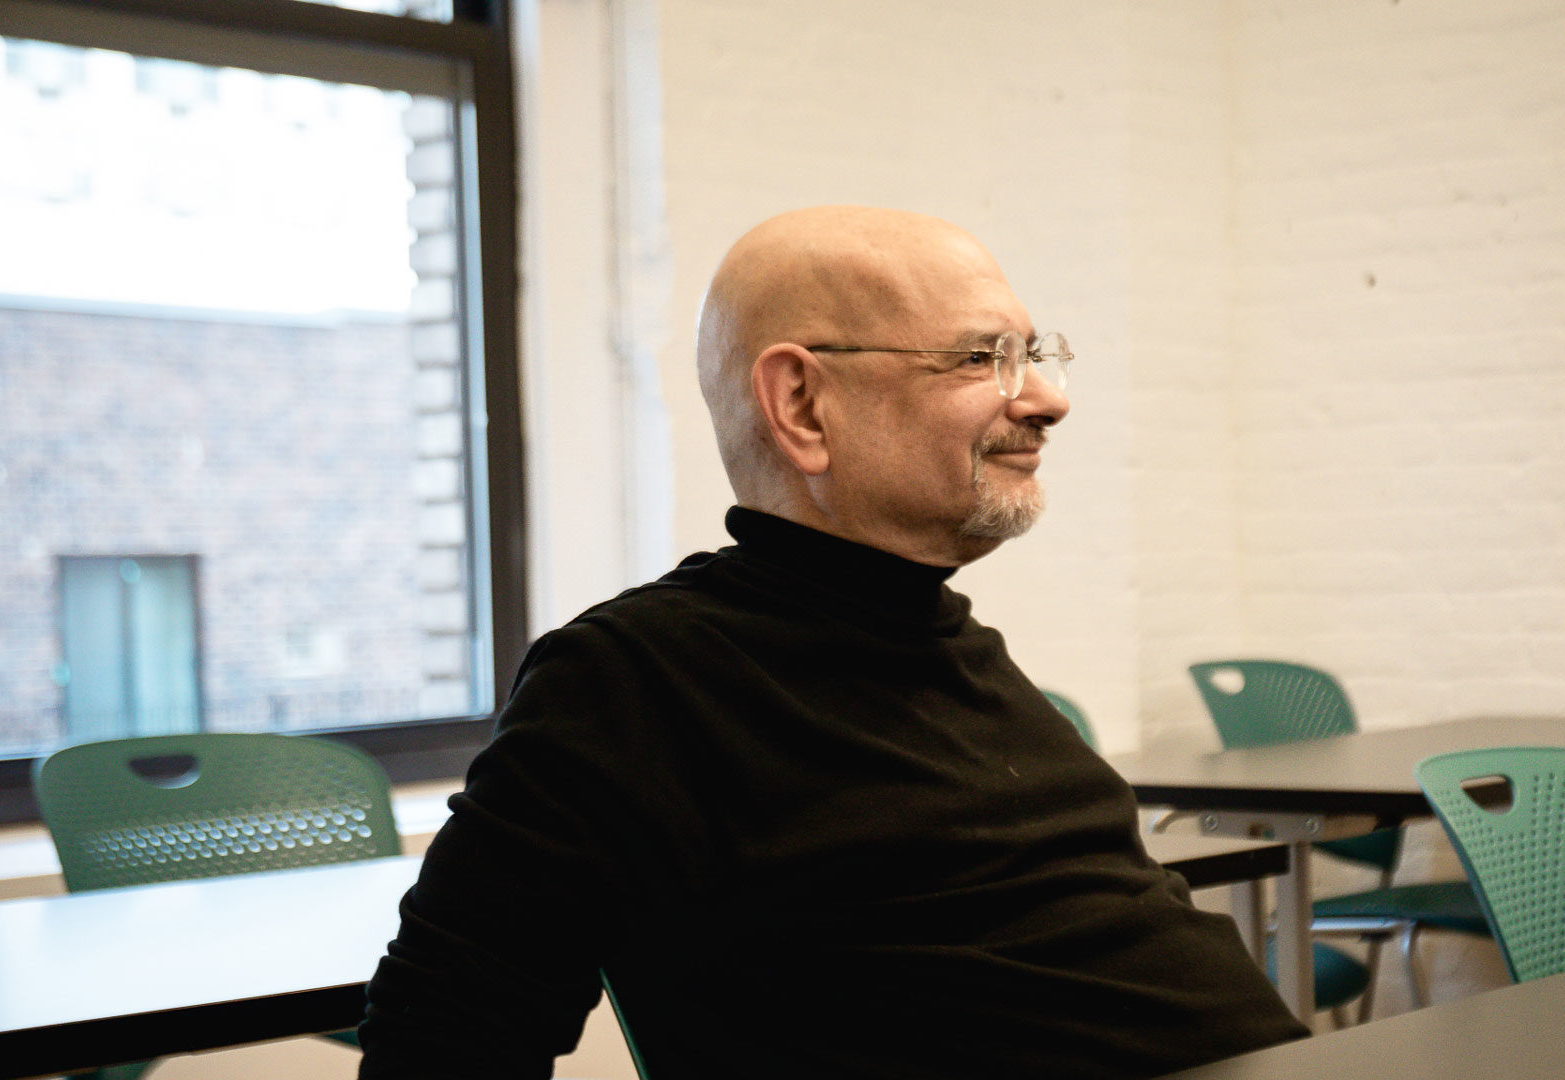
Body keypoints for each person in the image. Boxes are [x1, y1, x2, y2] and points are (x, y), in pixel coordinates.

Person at [357, 206, 1307, 1079]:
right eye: (984, 359)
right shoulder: (634, 681)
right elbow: (439, 1043)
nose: (1048, 400)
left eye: (1037, 354)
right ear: (804, 405)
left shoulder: (955, 649)